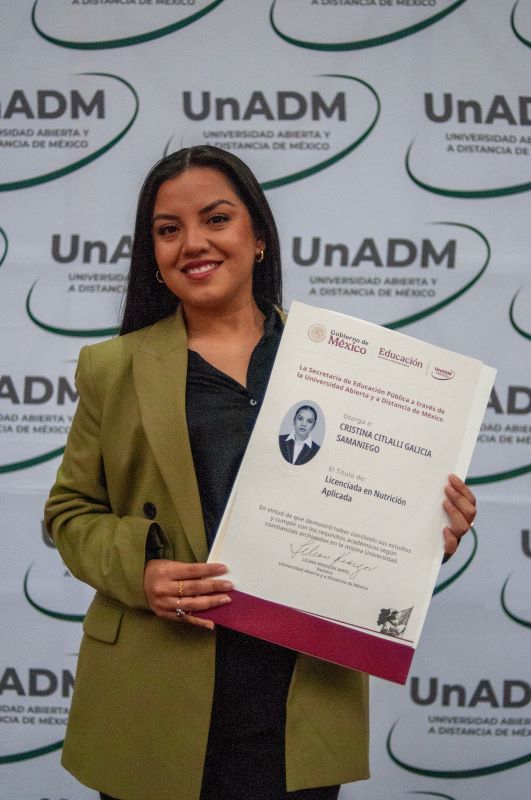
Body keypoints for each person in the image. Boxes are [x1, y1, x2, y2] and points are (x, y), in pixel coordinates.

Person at [44, 145, 477, 800]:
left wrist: (423, 531)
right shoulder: (113, 368)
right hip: (155, 692)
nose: (193, 242)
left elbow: (371, 504)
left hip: (298, 692)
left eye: (216, 219)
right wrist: (141, 570)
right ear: (153, 254)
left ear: (259, 238)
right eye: (168, 229)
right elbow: (69, 513)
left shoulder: (344, 366)